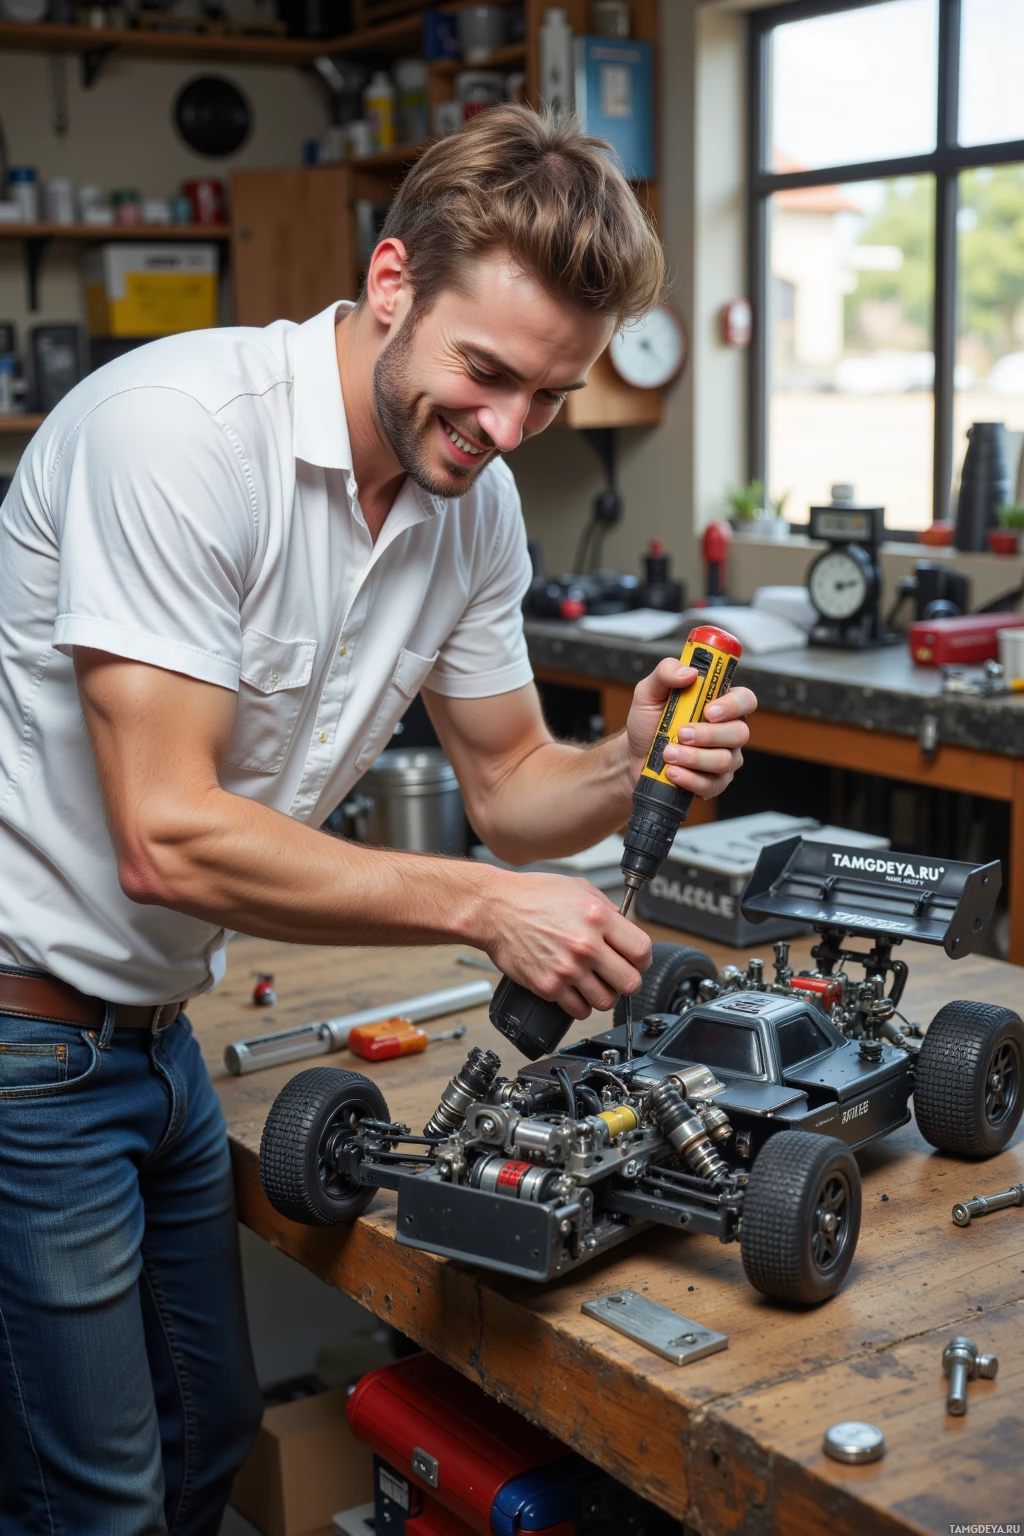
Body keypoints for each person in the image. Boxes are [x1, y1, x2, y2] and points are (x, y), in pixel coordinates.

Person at [0, 105, 756, 1535]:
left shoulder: (473, 505)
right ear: (393, 279)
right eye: (484, 374)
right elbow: (168, 834)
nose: (506, 428)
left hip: (154, 1037)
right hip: (25, 1041)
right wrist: (482, 905)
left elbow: (516, 789)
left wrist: (632, 759)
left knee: (208, 1433)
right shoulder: (180, 436)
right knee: (89, 1500)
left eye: (548, 395)